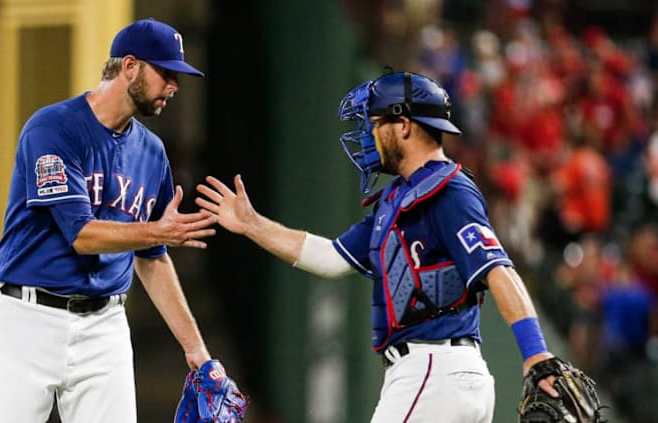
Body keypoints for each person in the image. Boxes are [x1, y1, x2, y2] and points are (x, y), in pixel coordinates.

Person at [196, 71, 561, 422]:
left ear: (404, 125)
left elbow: (498, 268)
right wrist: (251, 224)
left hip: (432, 372)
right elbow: (330, 258)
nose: (370, 134)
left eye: (376, 123)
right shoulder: (399, 198)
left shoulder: (449, 191)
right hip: (442, 377)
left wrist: (536, 353)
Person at [0, 18, 218, 423]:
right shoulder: (53, 128)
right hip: (27, 321)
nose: (174, 86)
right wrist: (157, 231)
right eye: (166, 73)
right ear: (131, 66)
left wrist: (196, 349)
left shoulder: (152, 153)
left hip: (105, 328)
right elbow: (81, 235)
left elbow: (152, 257)